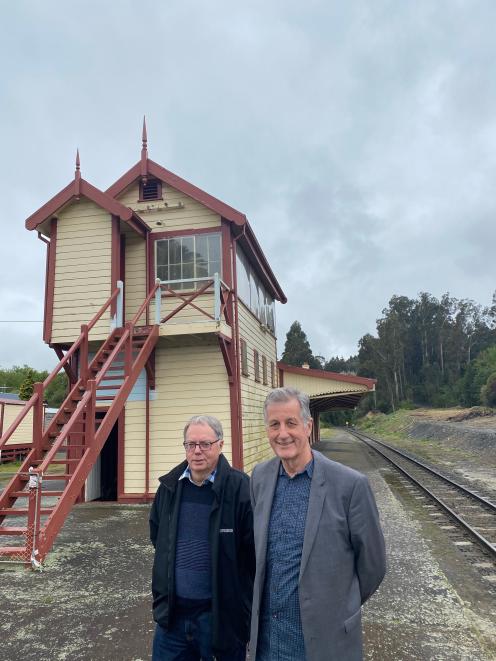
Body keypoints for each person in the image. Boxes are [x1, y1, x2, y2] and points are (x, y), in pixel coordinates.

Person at [250, 387, 386, 661]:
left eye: (291, 423)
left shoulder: (350, 485)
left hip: (323, 644)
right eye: (274, 424)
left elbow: (373, 566)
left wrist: (337, 605)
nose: (283, 433)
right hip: (267, 643)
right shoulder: (260, 478)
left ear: (308, 426)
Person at [150, 414, 255, 660]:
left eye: (205, 444)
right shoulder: (169, 488)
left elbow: (252, 553)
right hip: (172, 619)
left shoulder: (240, 489)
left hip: (218, 619)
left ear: (220, 444)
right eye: (191, 444)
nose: (197, 451)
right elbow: (158, 537)